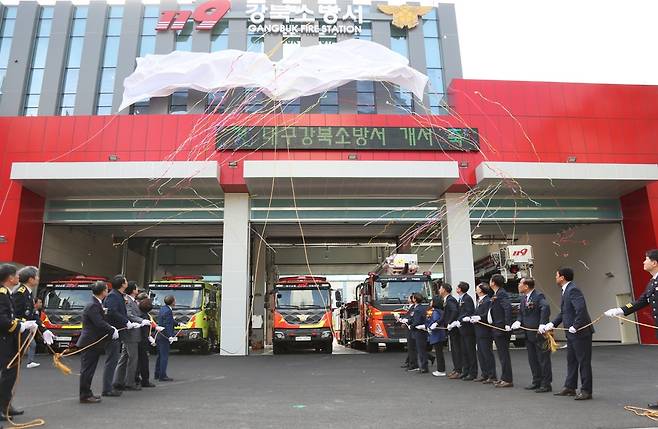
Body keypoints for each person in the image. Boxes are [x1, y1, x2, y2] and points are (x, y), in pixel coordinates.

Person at [606, 249, 658, 408]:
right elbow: (641, 301)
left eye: (646, 259)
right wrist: (620, 310)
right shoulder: (652, 282)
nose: (643, 262)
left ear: (654, 263)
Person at [542, 267, 593, 400]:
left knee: (583, 362)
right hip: (571, 333)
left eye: (556, 275)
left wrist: (576, 326)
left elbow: (580, 309)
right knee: (571, 360)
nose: (555, 278)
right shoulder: (566, 290)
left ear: (562, 277)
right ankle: (570, 387)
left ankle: (586, 390)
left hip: (580, 332)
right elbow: (564, 312)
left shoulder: (573, 290)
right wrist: (553, 324)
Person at [0, 264, 35, 422]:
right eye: (15, 275)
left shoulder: (7, 293)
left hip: (10, 340)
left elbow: (13, 316)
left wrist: (24, 323)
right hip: (5, 341)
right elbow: (2, 320)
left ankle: (6, 405)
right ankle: (2, 407)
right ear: (9, 278)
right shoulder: (3, 294)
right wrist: (20, 325)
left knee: (11, 374)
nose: (18, 278)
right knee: (7, 375)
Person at [78, 281, 119, 404]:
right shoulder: (93, 305)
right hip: (90, 341)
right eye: (106, 289)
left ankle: (87, 393)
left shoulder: (96, 303)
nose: (107, 291)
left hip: (94, 341)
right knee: (87, 370)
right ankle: (84, 395)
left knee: (90, 369)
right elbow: (99, 323)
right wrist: (112, 329)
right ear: (103, 291)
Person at [511, 277, 552, 393]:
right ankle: (536, 381)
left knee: (543, 359)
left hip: (538, 332)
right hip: (528, 333)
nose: (518, 285)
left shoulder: (538, 296)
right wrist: (518, 321)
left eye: (520, 283)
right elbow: (521, 313)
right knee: (532, 359)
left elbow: (545, 307)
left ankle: (546, 384)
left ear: (526, 286)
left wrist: (542, 323)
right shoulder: (524, 298)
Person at [103, 275, 141, 397]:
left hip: (120, 332)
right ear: (122, 284)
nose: (127, 282)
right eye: (125, 281)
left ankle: (116, 383)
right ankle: (108, 388)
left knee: (119, 358)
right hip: (114, 331)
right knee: (112, 361)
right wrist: (126, 322)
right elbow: (112, 312)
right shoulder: (113, 296)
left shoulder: (119, 296)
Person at [12, 266, 55, 369]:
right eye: (36, 276)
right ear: (30, 279)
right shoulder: (20, 293)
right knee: (11, 368)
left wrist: (44, 330)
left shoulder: (29, 294)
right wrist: (24, 324)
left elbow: (34, 315)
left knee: (15, 368)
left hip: (23, 334)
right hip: (15, 335)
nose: (38, 278)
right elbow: (13, 315)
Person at [113, 281, 151, 391]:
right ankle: (129, 382)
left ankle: (118, 381)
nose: (137, 289)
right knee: (133, 359)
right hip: (131, 334)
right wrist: (142, 320)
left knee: (124, 358)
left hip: (133, 333)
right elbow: (129, 315)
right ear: (133, 290)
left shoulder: (132, 300)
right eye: (136, 288)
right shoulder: (127, 300)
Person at [468, 283, 497, 384]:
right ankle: (484, 374)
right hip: (478, 330)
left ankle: (492, 375)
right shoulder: (479, 300)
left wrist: (480, 317)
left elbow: (488, 314)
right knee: (480, 353)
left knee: (487, 353)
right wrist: (472, 317)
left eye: (477, 288)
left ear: (481, 290)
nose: (476, 289)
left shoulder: (487, 300)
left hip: (485, 330)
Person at [489, 274, 513, 388]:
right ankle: (504, 377)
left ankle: (507, 379)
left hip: (501, 327)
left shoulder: (501, 293)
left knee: (504, 355)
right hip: (497, 326)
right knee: (501, 355)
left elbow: (507, 307)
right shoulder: (496, 293)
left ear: (493, 282)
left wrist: (507, 324)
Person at [135, 293, 158, 388]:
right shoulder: (145, 316)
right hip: (143, 340)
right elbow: (145, 330)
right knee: (144, 361)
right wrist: (150, 338)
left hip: (138, 339)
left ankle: (136, 378)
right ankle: (145, 380)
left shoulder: (139, 313)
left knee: (137, 361)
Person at [456, 281, 477, 380]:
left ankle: (472, 373)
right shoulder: (461, 299)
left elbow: (469, 311)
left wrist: (461, 319)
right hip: (462, 328)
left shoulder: (467, 298)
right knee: (464, 351)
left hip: (468, 328)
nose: (456, 289)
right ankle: (466, 370)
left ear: (460, 289)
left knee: (470, 351)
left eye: (457, 287)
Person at [441, 283, 462, 379]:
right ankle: (456, 369)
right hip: (451, 328)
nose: (439, 290)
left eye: (440, 288)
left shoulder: (450, 300)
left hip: (454, 328)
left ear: (444, 290)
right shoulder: (447, 300)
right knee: (454, 349)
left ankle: (458, 370)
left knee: (456, 349)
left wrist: (450, 322)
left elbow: (454, 311)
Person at [154, 295, 176, 382]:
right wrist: (170, 336)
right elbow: (167, 324)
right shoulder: (168, 311)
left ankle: (157, 373)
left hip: (160, 335)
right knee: (164, 356)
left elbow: (170, 320)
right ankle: (162, 376)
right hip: (164, 336)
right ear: (173, 302)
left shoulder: (163, 309)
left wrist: (177, 323)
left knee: (160, 356)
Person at [426, 295, 447, 377]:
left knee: (439, 353)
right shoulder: (440, 311)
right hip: (439, 334)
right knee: (439, 353)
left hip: (437, 334)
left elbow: (434, 321)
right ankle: (440, 369)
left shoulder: (436, 311)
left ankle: (441, 370)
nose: (430, 302)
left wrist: (429, 325)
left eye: (432, 301)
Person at [409, 293, 429, 374]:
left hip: (419, 331)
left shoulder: (417, 309)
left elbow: (416, 321)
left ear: (415, 299)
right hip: (420, 331)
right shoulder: (422, 308)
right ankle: (423, 366)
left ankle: (424, 367)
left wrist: (411, 326)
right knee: (421, 349)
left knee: (421, 350)